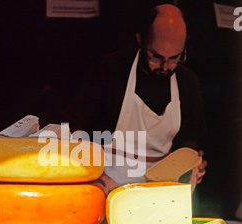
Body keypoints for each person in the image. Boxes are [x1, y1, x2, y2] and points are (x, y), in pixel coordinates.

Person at [63, 3, 207, 189]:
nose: (165, 67)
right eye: (156, 57)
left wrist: (193, 163)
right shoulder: (109, 70)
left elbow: (191, 138)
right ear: (141, 40)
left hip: (160, 190)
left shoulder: (188, 82)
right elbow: (74, 126)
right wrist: (94, 174)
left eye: (174, 58)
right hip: (108, 183)